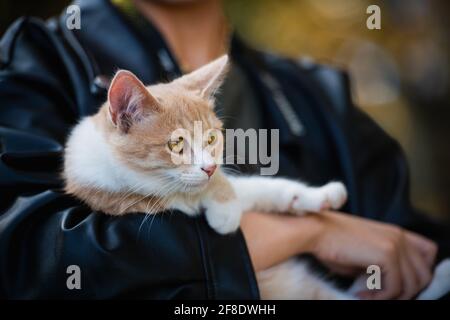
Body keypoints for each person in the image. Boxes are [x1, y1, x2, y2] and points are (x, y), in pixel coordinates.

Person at [0, 0, 449, 299]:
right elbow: (26, 261)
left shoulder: (319, 96)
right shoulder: (41, 60)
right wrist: (312, 230)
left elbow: (417, 248)